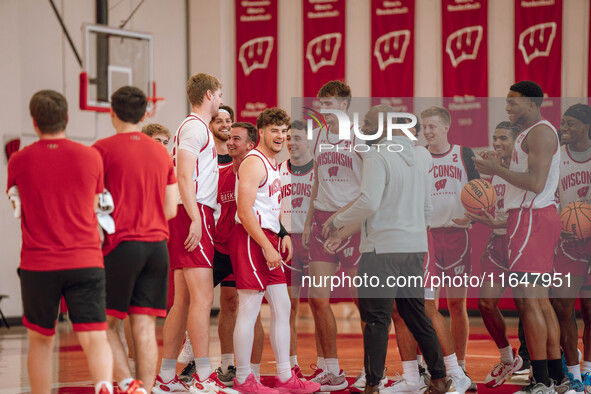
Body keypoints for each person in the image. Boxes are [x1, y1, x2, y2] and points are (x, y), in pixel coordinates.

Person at [322, 104, 452, 394]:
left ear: (385, 126)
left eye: (369, 124)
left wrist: (337, 219)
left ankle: (372, 385)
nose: (364, 129)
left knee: (376, 321)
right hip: (414, 250)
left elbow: (369, 202)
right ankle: (441, 379)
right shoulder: (421, 156)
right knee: (417, 315)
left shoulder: (376, 155)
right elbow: (427, 208)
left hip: (381, 250)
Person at [7, 90, 114, 394]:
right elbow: (96, 203)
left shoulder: (18, 160)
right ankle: (104, 386)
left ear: (34, 122)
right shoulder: (91, 157)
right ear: (67, 117)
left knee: (41, 341)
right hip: (85, 261)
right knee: (95, 336)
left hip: (38, 264)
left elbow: (16, 202)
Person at [473, 80, 563, 394]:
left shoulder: (539, 131)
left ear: (531, 103)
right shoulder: (531, 133)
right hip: (527, 219)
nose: (508, 108)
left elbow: (535, 183)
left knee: (530, 304)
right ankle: (555, 375)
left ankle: (540, 379)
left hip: (532, 219)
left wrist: (495, 168)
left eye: (513, 103)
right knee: (539, 302)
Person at [93, 86, 178, 394]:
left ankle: (129, 384)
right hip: (157, 247)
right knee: (144, 329)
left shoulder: (100, 150)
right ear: (146, 115)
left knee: (103, 324)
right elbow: (171, 208)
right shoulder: (161, 152)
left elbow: (92, 204)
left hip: (121, 246)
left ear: (111, 112)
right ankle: (145, 389)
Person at [231, 107, 320, 394]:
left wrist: (282, 234)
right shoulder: (254, 162)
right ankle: (244, 379)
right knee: (248, 309)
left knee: (282, 307)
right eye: (275, 131)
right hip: (250, 239)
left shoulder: (271, 163)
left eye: (284, 131)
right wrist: (267, 245)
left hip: (267, 237)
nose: (281, 136)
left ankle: (285, 377)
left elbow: (267, 208)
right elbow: (244, 212)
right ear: (261, 133)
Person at [153, 73, 230, 393]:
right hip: (192, 212)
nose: (222, 98)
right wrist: (196, 217)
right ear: (209, 94)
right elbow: (182, 175)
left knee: (183, 301)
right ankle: (203, 378)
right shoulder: (196, 126)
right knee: (203, 298)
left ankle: (166, 377)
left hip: (190, 212)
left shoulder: (193, 127)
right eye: (220, 93)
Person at [302, 80, 363, 391]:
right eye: (321, 103)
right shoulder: (319, 137)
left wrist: (343, 220)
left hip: (351, 223)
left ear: (345, 105)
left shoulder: (359, 137)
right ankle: (332, 370)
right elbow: (316, 182)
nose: (324, 109)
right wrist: (309, 220)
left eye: (330, 103)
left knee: (361, 300)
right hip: (322, 223)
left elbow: (369, 189)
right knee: (317, 299)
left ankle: (371, 368)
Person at [459, 122, 525, 388]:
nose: (497, 143)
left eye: (503, 138)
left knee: (529, 309)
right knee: (485, 304)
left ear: (516, 141)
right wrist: (473, 216)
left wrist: (492, 222)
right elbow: (485, 204)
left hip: (522, 243)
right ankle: (508, 358)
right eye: (494, 137)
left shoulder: (523, 170)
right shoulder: (492, 174)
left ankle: (554, 361)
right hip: (498, 246)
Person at [422, 106, 478, 390]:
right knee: (427, 307)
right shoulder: (418, 156)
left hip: (458, 237)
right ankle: (428, 366)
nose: (428, 131)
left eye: (433, 126)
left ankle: (461, 366)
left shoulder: (465, 154)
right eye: (424, 126)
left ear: (446, 126)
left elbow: (482, 194)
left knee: (457, 304)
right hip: (428, 238)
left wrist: (473, 214)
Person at [551, 103, 591, 391]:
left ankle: (588, 371)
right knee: (563, 306)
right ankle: (573, 374)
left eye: (570, 123)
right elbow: (549, 196)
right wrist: (559, 221)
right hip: (568, 242)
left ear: (586, 127)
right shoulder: (556, 158)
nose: (563, 127)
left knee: (590, 309)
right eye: (562, 123)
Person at [279, 120, 315, 377]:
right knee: (289, 307)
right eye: (289, 137)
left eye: (298, 137)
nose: (292, 142)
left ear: (310, 141)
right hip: (287, 242)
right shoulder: (277, 169)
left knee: (318, 304)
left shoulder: (320, 171)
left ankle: (326, 365)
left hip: (314, 243)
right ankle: (291, 364)